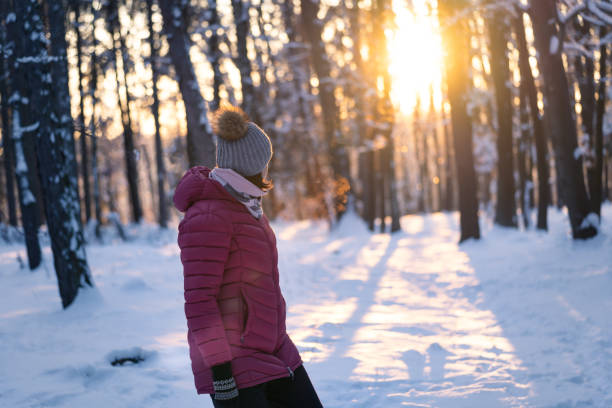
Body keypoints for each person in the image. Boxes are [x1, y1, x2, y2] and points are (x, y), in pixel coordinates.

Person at [173, 105, 323, 408]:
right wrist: (222, 373)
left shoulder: (247, 207)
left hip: (275, 348)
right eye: (265, 162)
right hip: (235, 365)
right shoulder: (209, 215)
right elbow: (200, 301)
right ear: (253, 165)